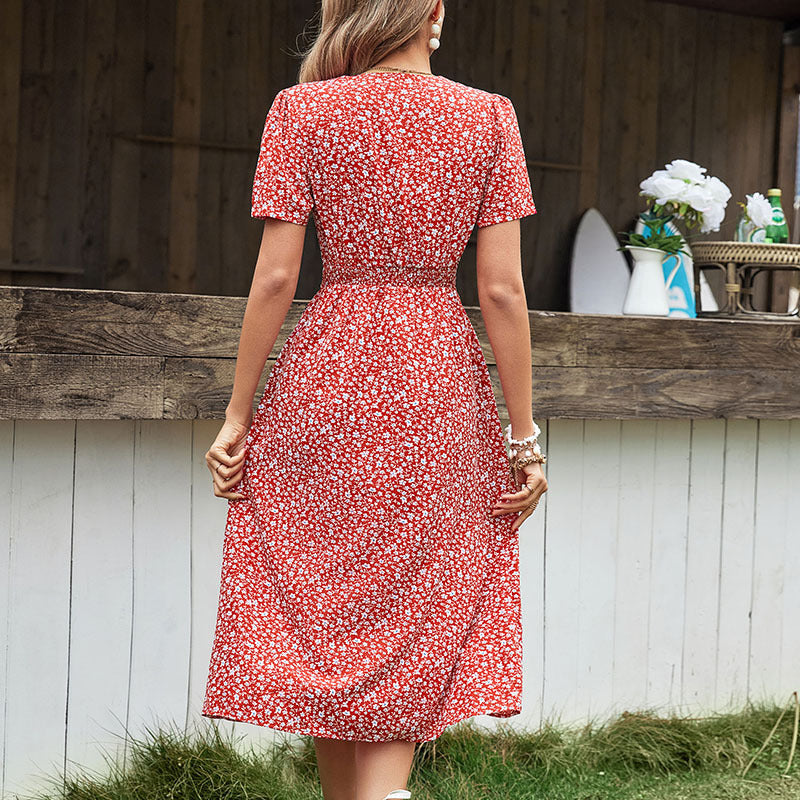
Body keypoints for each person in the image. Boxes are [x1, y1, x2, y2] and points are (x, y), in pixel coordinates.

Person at [200, 1, 548, 798]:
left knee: (327, 611)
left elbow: (277, 277)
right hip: (438, 388)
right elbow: (500, 289)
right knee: (409, 611)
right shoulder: (490, 118)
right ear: (432, 11)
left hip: (323, 382)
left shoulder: (301, 108)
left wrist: (237, 414)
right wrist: (522, 437)